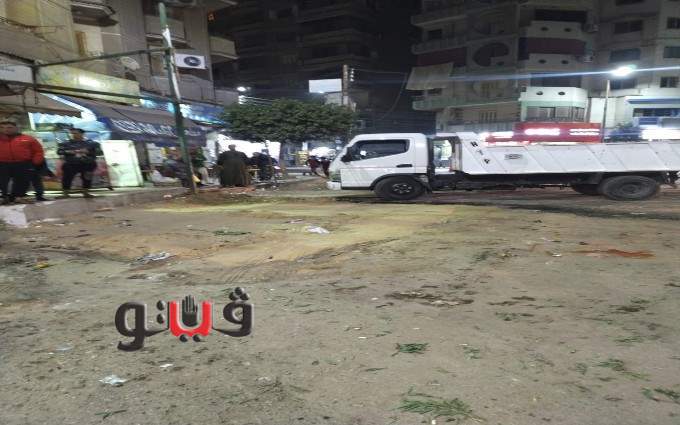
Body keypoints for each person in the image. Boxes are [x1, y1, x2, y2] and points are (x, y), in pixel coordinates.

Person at [0, 120, 44, 205]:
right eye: (2, 127)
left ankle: (18, 197)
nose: (6, 129)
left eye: (9, 127)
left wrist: (35, 162)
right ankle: (4, 197)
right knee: (3, 181)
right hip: (3, 164)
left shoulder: (28, 138)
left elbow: (38, 151)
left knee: (22, 181)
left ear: (16, 128)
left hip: (23, 163)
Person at [57, 128, 102, 198]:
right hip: (71, 163)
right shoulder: (66, 143)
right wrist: (69, 152)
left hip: (87, 163)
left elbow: (99, 152)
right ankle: (65, 194)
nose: (73, 135)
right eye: (72, 133)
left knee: (87, 177)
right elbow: (59, 152)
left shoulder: (91, 143)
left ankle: (86, 193)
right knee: (66, 178)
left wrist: (88, 151)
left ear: (82, 134)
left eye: (75, 133)